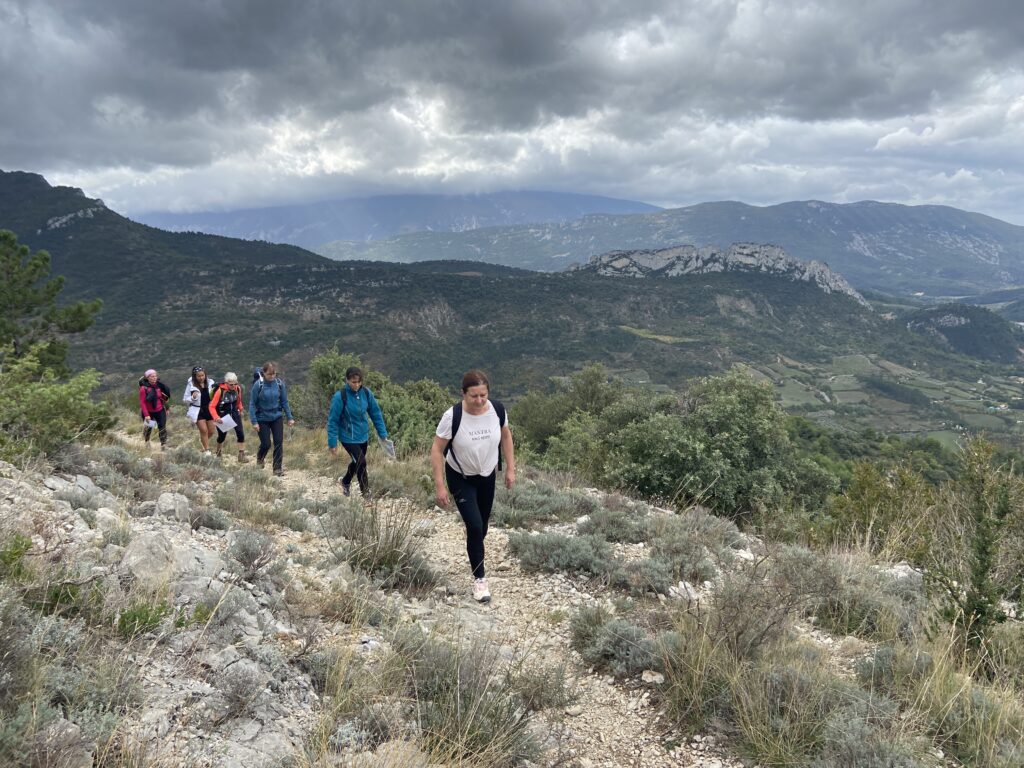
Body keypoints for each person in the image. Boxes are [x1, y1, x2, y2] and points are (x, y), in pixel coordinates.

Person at [430, 369, 515, 603]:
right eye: (474, 396)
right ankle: (480, 580)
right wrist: (440, 485)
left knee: (482, 527)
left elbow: (506, 436)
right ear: (463, 394)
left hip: (487, 475)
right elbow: (437, 450)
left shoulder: (497, 410)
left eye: (483, 396)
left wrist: (510, 468)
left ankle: (474, 545)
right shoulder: (453, 416)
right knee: (476, 526)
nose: (479, 401)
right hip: (460, 477)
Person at [326, 366, 390, 500]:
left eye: (359, 382)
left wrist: (382, 433)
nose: (356, 385)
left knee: (357, 462)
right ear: (347, 380)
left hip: (363, 435)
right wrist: (332, 442)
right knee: (361, 462)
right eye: (353, 382)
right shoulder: (340, 396)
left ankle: (345, 482)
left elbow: (375, 413)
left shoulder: (366, 393)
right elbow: (333, 420)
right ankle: (366, 493)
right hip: (348, 437)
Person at [249, 361, 294, 476]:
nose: (272, 376)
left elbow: (284, 401)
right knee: (266, 444)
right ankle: (260, 457)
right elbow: (252, 404)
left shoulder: (279, 384)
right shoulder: (258, 385)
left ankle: (277, 468)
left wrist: (289, 417)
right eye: (270, 374)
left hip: (276, 417)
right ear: (263, 373)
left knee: (278, 442)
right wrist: (254, 421)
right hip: (262, 418)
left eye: (274, 374)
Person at [209, 371, 248, 462]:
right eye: (231, 384)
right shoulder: (220, 391)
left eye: (235, 384)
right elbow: (212, 406)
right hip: (222, 415)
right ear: (226, 383)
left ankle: (241, 455)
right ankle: (218, 452)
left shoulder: (237, 389)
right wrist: (216, 417)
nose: (233, 386)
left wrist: (241, 409)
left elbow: (238, 401)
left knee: (240, 434)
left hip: (234, 413)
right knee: (222, 436)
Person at [183, 366, 215, 454]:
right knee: (203, 430)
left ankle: (203, 442)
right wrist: (193, 397)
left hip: (209, 409)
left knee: (211, 431)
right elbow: (185, 399)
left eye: (202, 375)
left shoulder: (210, 383)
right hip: (197, 410)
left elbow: (214, 395)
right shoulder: (191, 385)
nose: (201, 378)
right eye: (199, 376)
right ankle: (207, 450)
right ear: (195, 376)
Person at [139, 368, 171, 450]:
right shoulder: (144, 389)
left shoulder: (159, 386)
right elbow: (142, 403)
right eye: (152, 376)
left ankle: (163, 445)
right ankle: (147, 441)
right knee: (149, 428)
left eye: (155, 376)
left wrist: (167, 408)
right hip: (149, 413)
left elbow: (163, 398)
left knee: (162, 427)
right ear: (147, 378)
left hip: (160, 411)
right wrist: (146, 415)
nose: (154, 378)